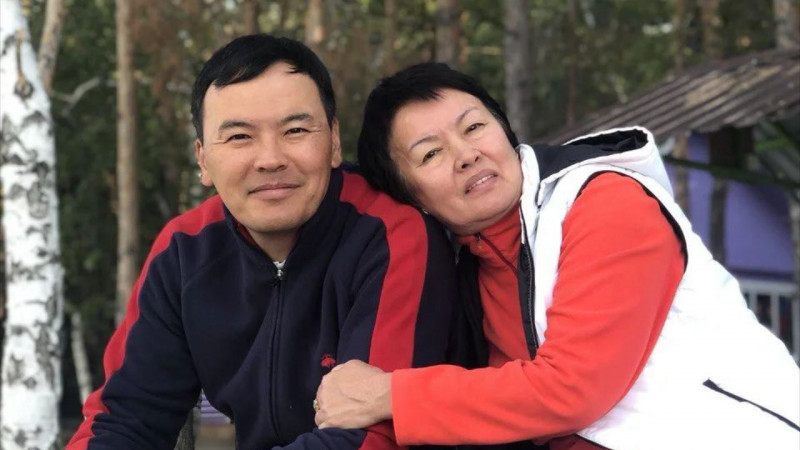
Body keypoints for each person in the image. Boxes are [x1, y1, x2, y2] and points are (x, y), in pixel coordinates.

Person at [313, 62, 800, 449]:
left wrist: (390, 394)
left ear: (507, 132)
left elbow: (574, 388)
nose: (466, 154)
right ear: (411, 197)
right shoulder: (466, 269)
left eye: (475, 127)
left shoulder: (605, 201)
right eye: (430, 154)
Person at [66, 37, 462, 450]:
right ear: (203, 159)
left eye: (295, 130)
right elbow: (124, 416)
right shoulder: (186, 250)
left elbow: (373, 437)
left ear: (333, 141)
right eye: (240, 137)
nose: (270, 159)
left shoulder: (391, 234)